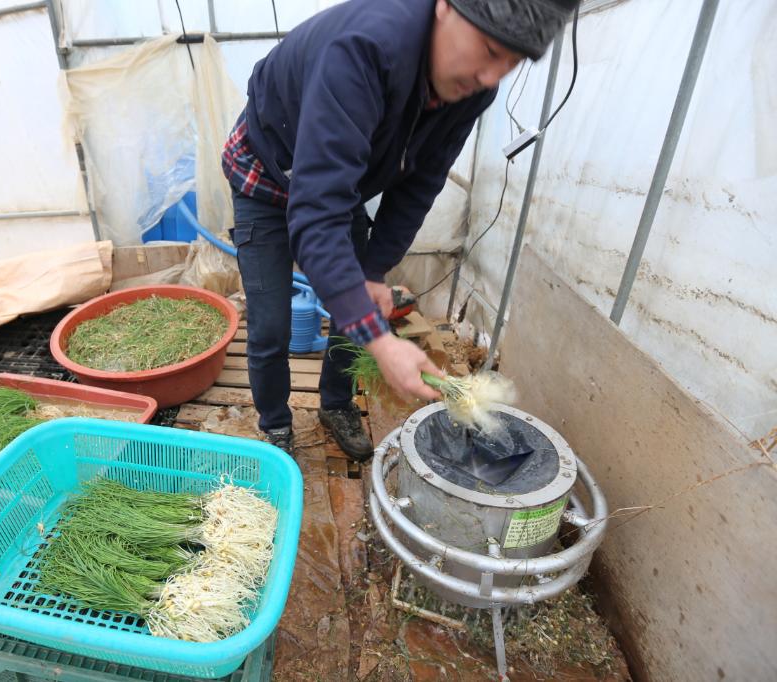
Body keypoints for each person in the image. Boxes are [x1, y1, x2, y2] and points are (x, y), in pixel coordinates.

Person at [221, 0, 579, 460]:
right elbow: (316, 212)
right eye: (489, 50)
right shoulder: (363, 48)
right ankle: (275, 425)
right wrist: (382, 341)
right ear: (445, 8)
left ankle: (335, 404)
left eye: (509, 64)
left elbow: (421, 183)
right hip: (266, 175)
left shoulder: (472, 89)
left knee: (357, 306)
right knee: (271, 327)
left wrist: (372, 270)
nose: (492, 76)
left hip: (335, 183)